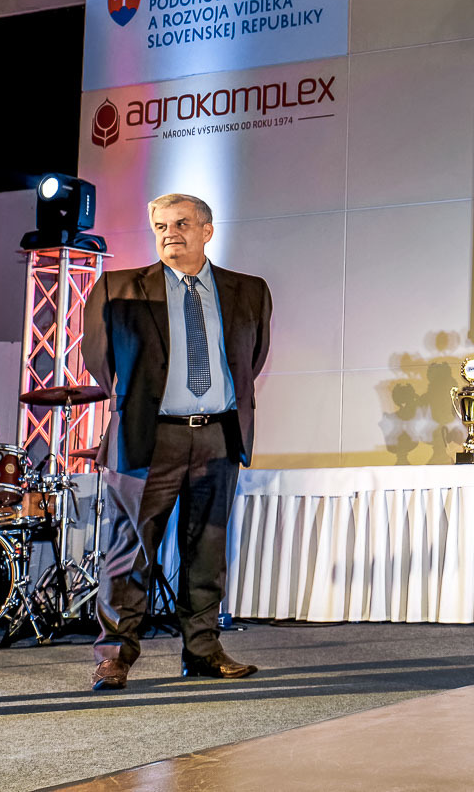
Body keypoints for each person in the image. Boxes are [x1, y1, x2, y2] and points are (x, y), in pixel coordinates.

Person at [82, 193, 271, 691]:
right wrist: (143, 402)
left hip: (218, 435)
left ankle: (203, 652)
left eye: (182, 224)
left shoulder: (249, 290)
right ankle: (114, 655)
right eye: (162, 226)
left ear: (207, 230)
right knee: (129, 551)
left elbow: (252, 357)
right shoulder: (119, 287)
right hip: (148, 436)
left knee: (207, 550)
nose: (171, 233)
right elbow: (99, 358)